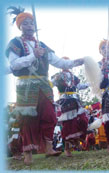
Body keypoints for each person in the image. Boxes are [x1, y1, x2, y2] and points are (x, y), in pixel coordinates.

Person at [6, 7, 84, 164]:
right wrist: (32, 56)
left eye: (31, 23)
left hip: (43, 85)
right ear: (20, 26)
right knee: (28, 119)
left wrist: (77, 62)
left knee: (49, 114)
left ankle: (49, 147)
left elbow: (59, 62)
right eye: (26, 23)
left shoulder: (41, 44)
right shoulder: (15, 43)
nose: (29, 26)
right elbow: (14, 65)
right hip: (25, 86)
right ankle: (27, 153)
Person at [51, 60, 89, 156]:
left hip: (76, 101)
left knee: (83, 120)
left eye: (67, 62)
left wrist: (89, 84)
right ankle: (67, 148)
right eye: (64, 62)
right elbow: (51, 84)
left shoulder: (73, 77)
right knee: (68, 125)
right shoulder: (58, 76)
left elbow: (79, 86)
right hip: (65, 102)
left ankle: (78, 140)